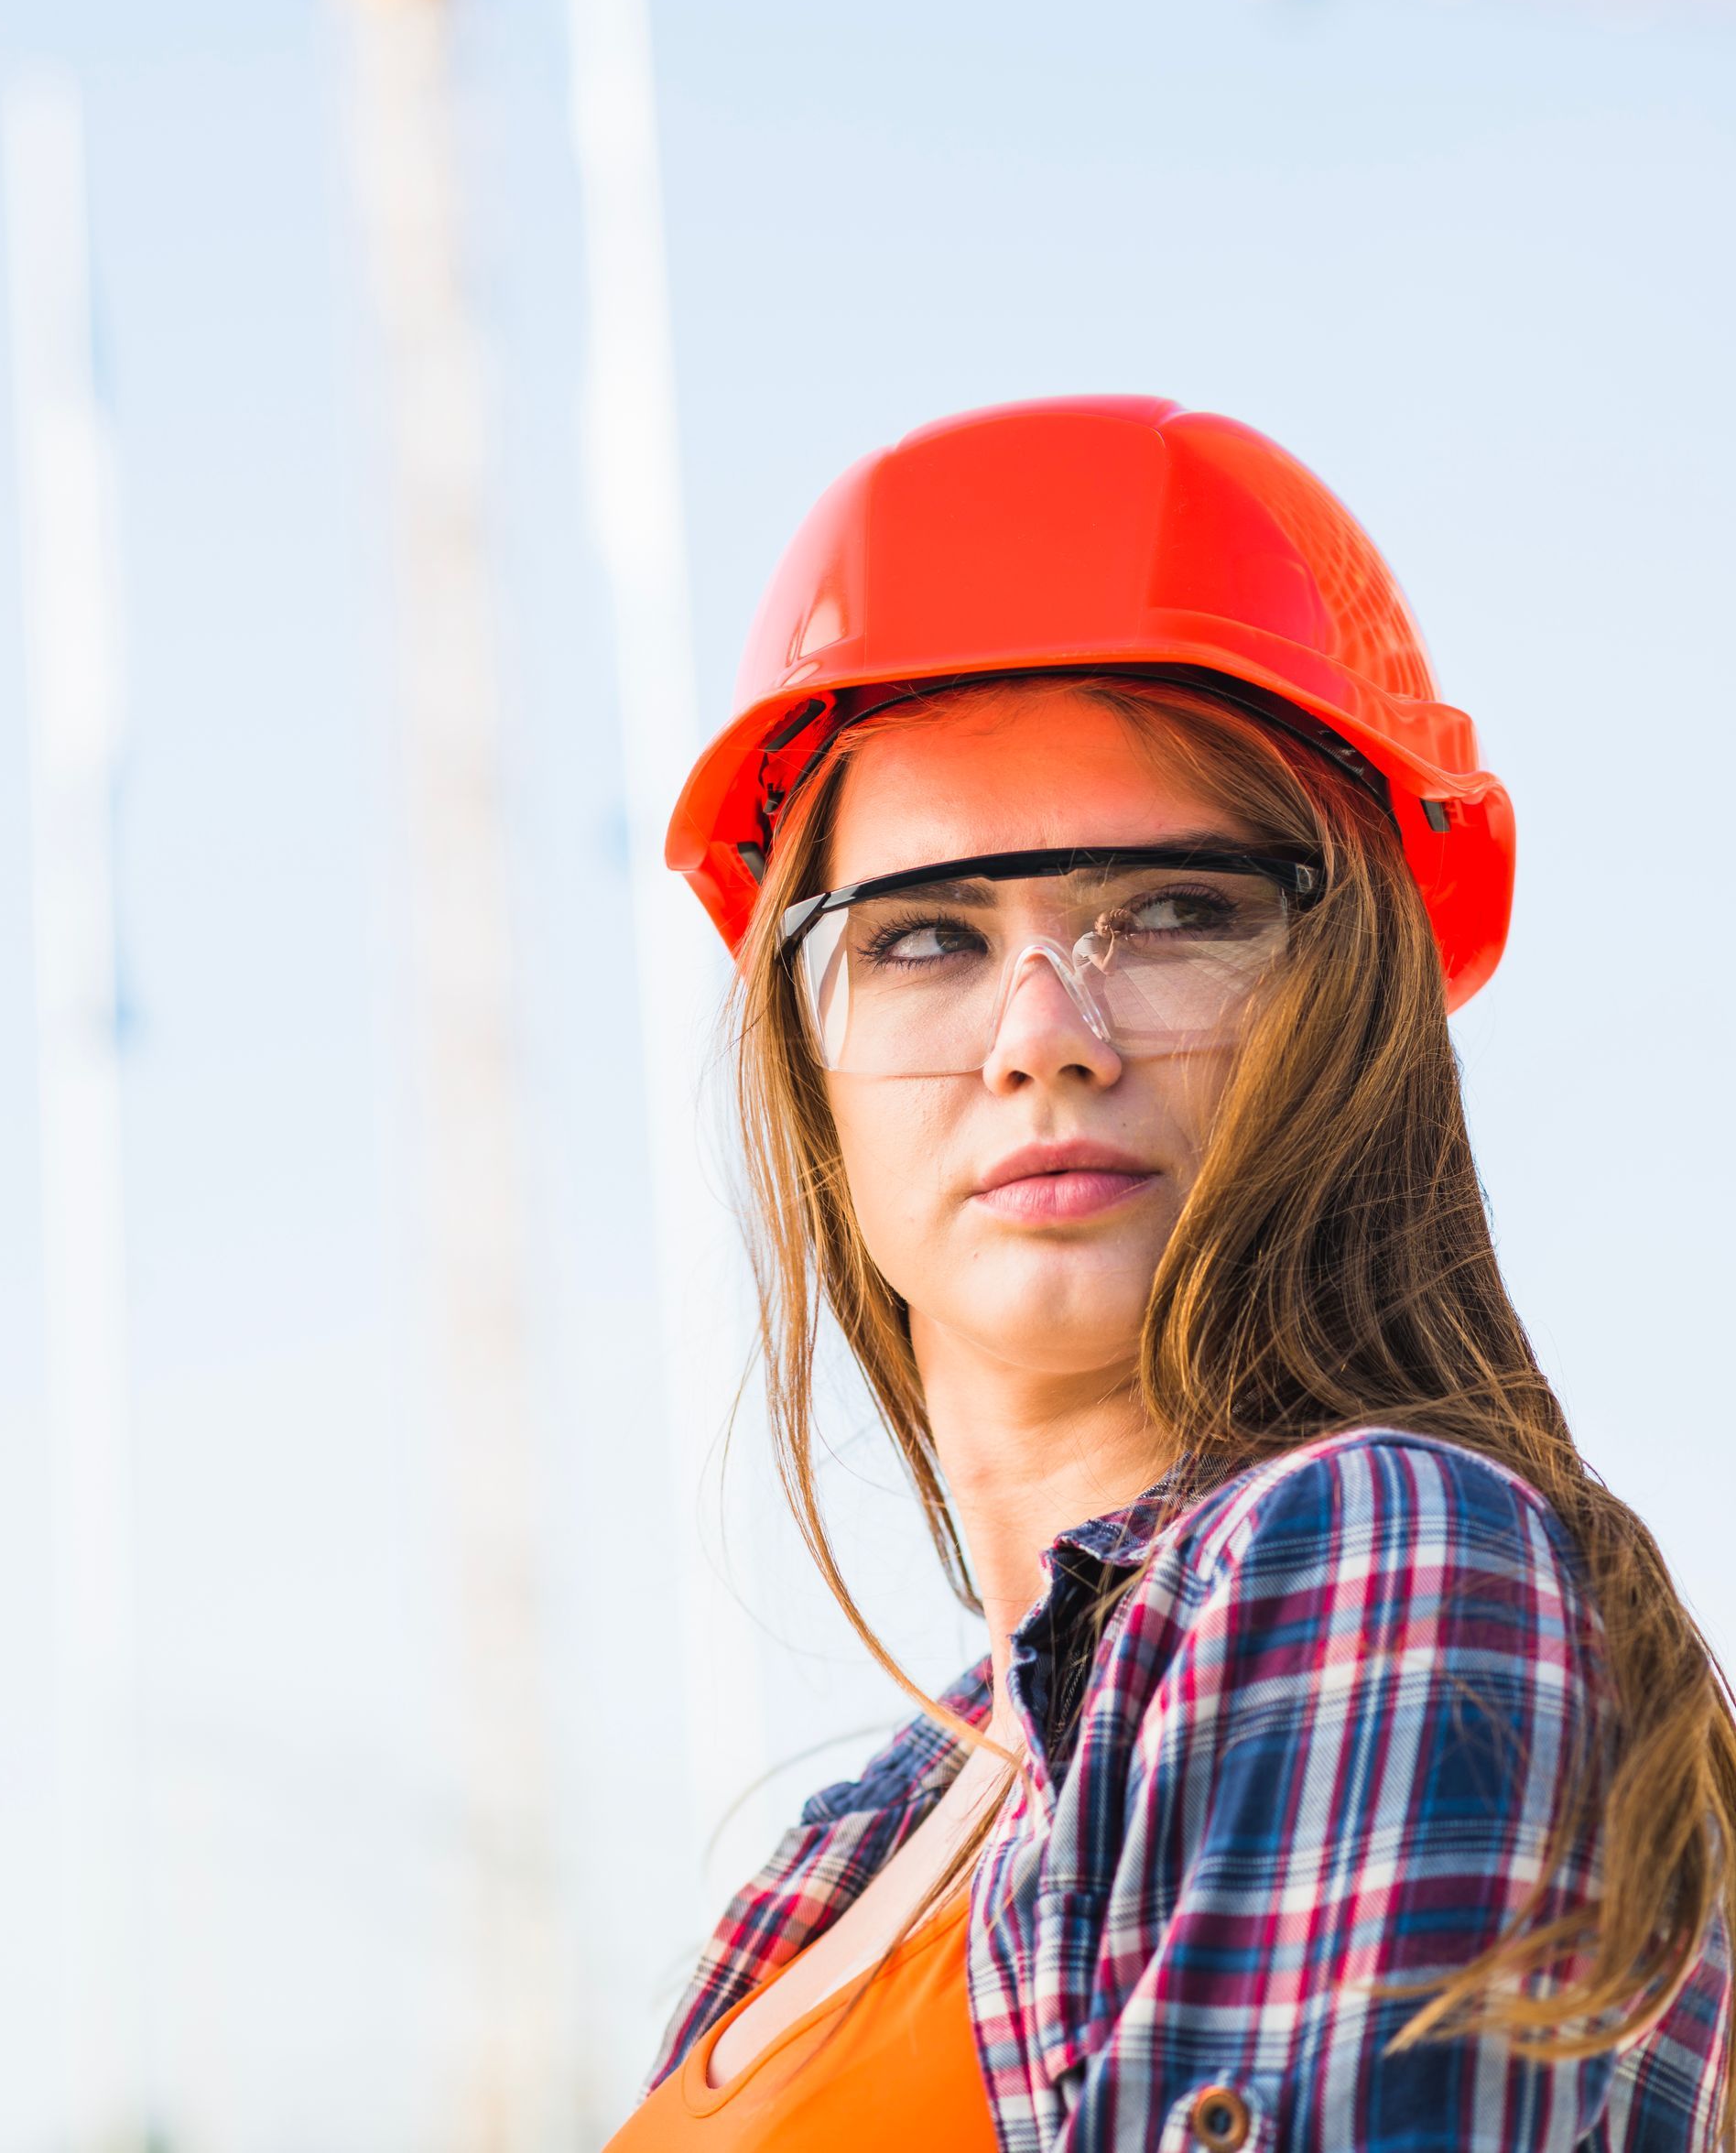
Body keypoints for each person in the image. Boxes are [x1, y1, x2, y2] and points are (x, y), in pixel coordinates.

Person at [604, 396, 1732, 2151]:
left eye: (1181, 909)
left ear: (1355, 1003)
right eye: (925, 937)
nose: (1045, 1034)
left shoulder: (1378, 1558)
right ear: (807, 1067)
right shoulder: (841, 1860)